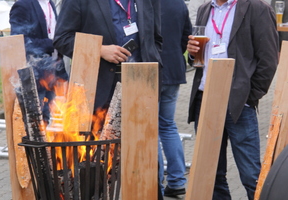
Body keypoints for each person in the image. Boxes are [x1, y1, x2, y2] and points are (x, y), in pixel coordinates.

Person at [187, 0, 278, 199]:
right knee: (212, 174)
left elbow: (269, 60)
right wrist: (193, 53)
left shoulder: (258, 9)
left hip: (238, 103)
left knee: (251, 175)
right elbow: (198, 61)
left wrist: (248, 96)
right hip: (205, 99)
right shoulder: (205, 9)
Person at [53, 0, 162, 117]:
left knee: (136, 135)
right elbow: (62, 39)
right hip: (97, 90)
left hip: (139, 86)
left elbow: (155, 39)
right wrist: (99, 50)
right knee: (96, 135)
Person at [9, 0, 68, 124]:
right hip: (33, 73)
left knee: (48, 118)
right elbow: (20, 41)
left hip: (52, 70)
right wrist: (52, 43)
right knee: (35, 121)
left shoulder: (50, 4)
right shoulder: (23, 5)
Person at [158, 0, 192, 197]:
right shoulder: (179, 3)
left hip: (151, 71)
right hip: (174, 70)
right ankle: (177, 181)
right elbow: (186, 36)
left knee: (151, 128)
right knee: (168, 125)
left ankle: (155, 184)